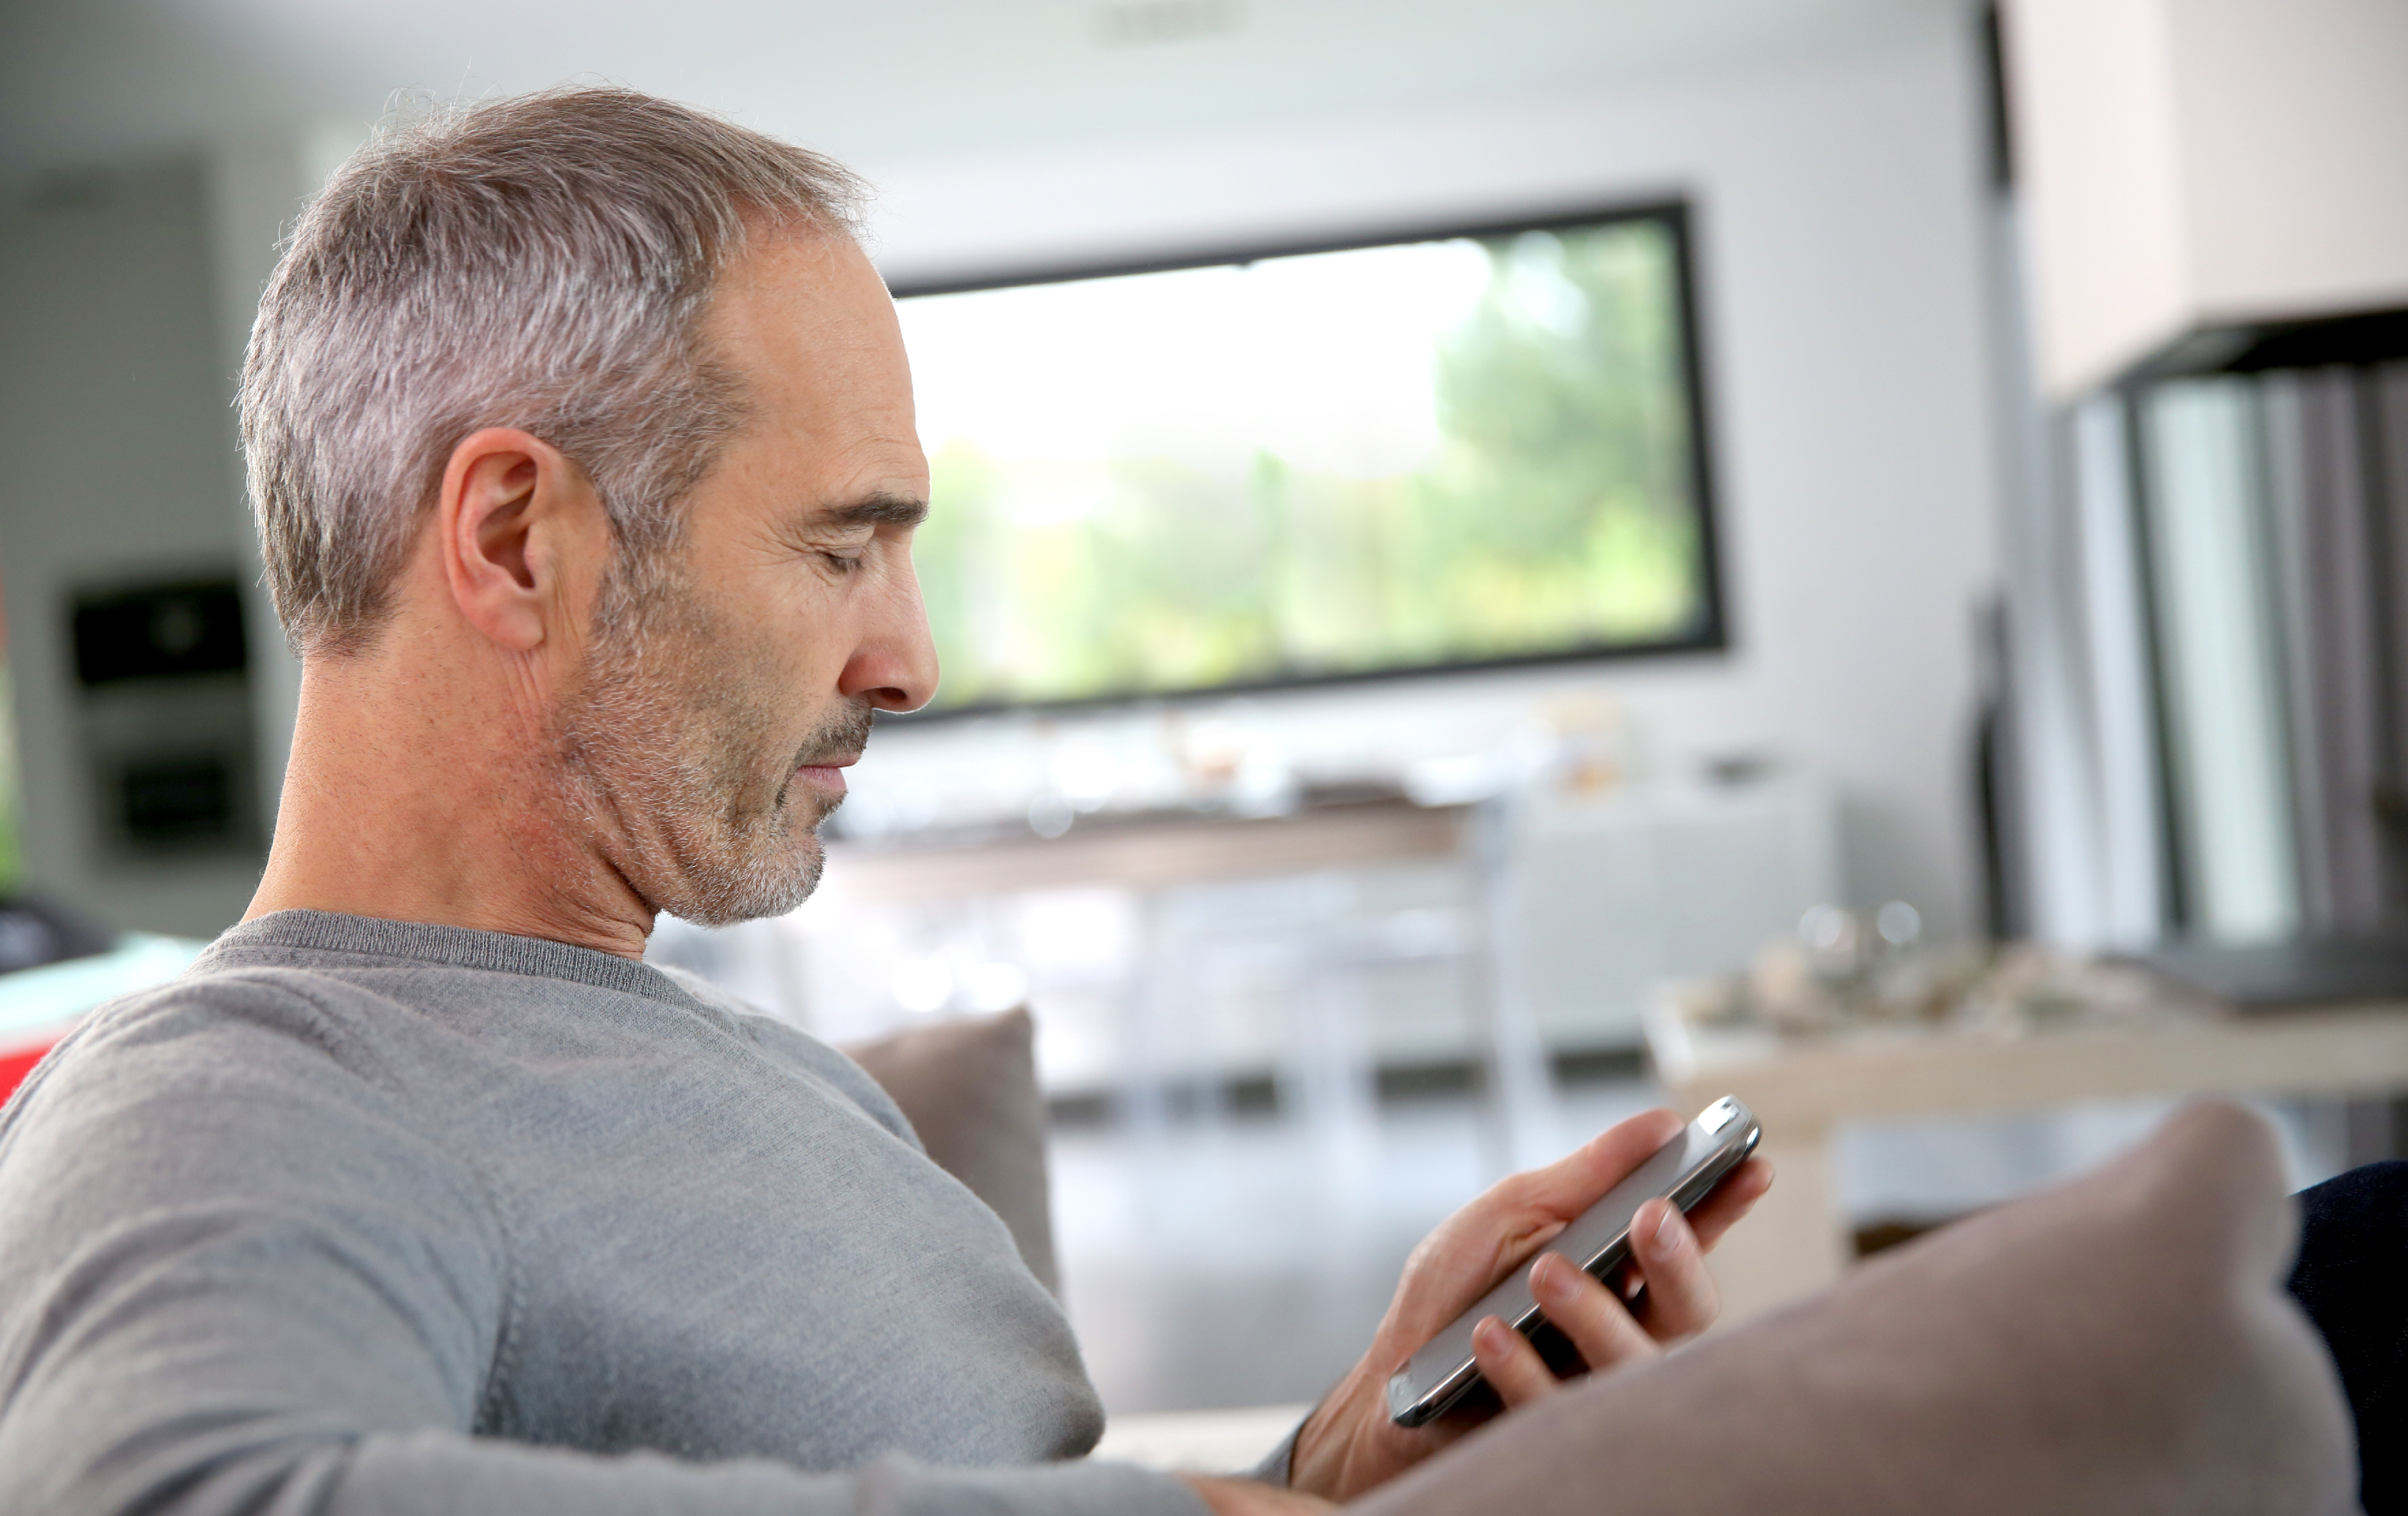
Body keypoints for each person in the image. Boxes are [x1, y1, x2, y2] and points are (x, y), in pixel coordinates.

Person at [0, 88, 1768, 1515]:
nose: (908, 663)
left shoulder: (767, 1074)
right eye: (840, 546)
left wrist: (1330, 1460)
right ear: (513, 540)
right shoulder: (243, 1084)